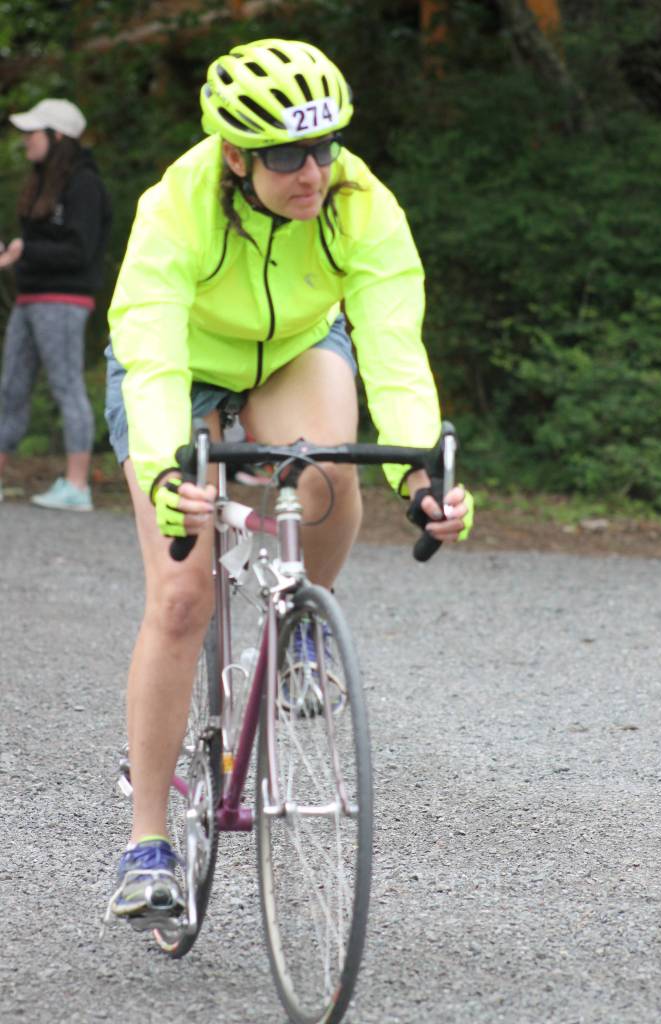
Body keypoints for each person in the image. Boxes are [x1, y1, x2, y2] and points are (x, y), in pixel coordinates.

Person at [104, 38, 474, 923]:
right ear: (236, 156)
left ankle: (305, 613)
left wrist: (420, 468)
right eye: (284, 157)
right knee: (183, 594)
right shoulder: (176, 208)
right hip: (183, 368)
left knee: (329, 475)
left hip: (297, 347)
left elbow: (391, 341)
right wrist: (164, 472)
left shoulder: (359, 201)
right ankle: (145, 841)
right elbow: (150, 355)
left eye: (324, 147)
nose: (311, 173)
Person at [0, 98, 112, 510]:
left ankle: (77, 485)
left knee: (67, 387)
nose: (26, 140)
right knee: (11, 387)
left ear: (57, 136)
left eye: (33, 132)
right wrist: (18, 251)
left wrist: (24, 249)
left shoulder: (85, 184)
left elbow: (79, 252)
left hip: (64, 302)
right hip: (29, 299)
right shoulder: (43, 182)